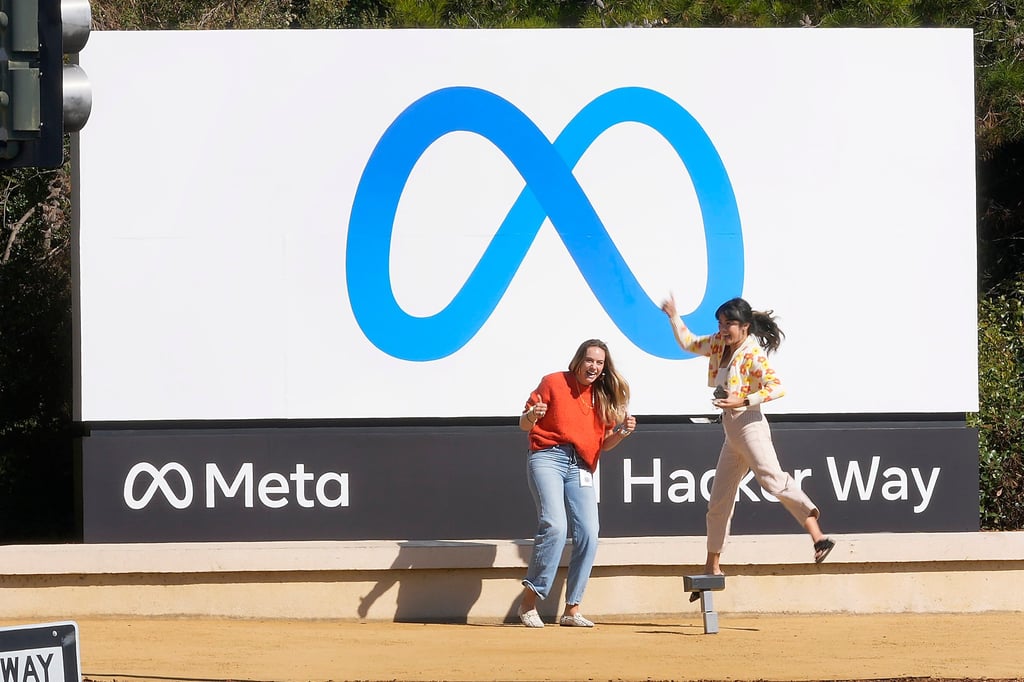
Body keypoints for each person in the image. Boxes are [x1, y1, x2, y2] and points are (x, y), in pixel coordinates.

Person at [659, 295, 834, 594]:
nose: (724, 329)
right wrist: (674, 316)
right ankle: (712, 566)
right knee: (719, 501)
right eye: (721, 323)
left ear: (745, 327)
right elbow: (688, 343)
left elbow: (777, 387)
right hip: (732, 430)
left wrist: (743, 399)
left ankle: (818, 536)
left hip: (750, 425)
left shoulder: (752, 354)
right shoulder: (716, 344)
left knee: (772, 480)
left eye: (730, 324)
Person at [516, 339, 637, 628]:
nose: (594, 366)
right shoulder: (554, 382)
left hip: (581, 465)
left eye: (599, 362)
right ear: (578, 360)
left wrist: (620, 432)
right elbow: (523, 424)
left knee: (589, 532)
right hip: (548, 456)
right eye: (589, 360)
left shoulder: (602, 397)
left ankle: (572, 609)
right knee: (555, 526)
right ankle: (528, 603)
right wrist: (532, 415)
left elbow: (604, 444)